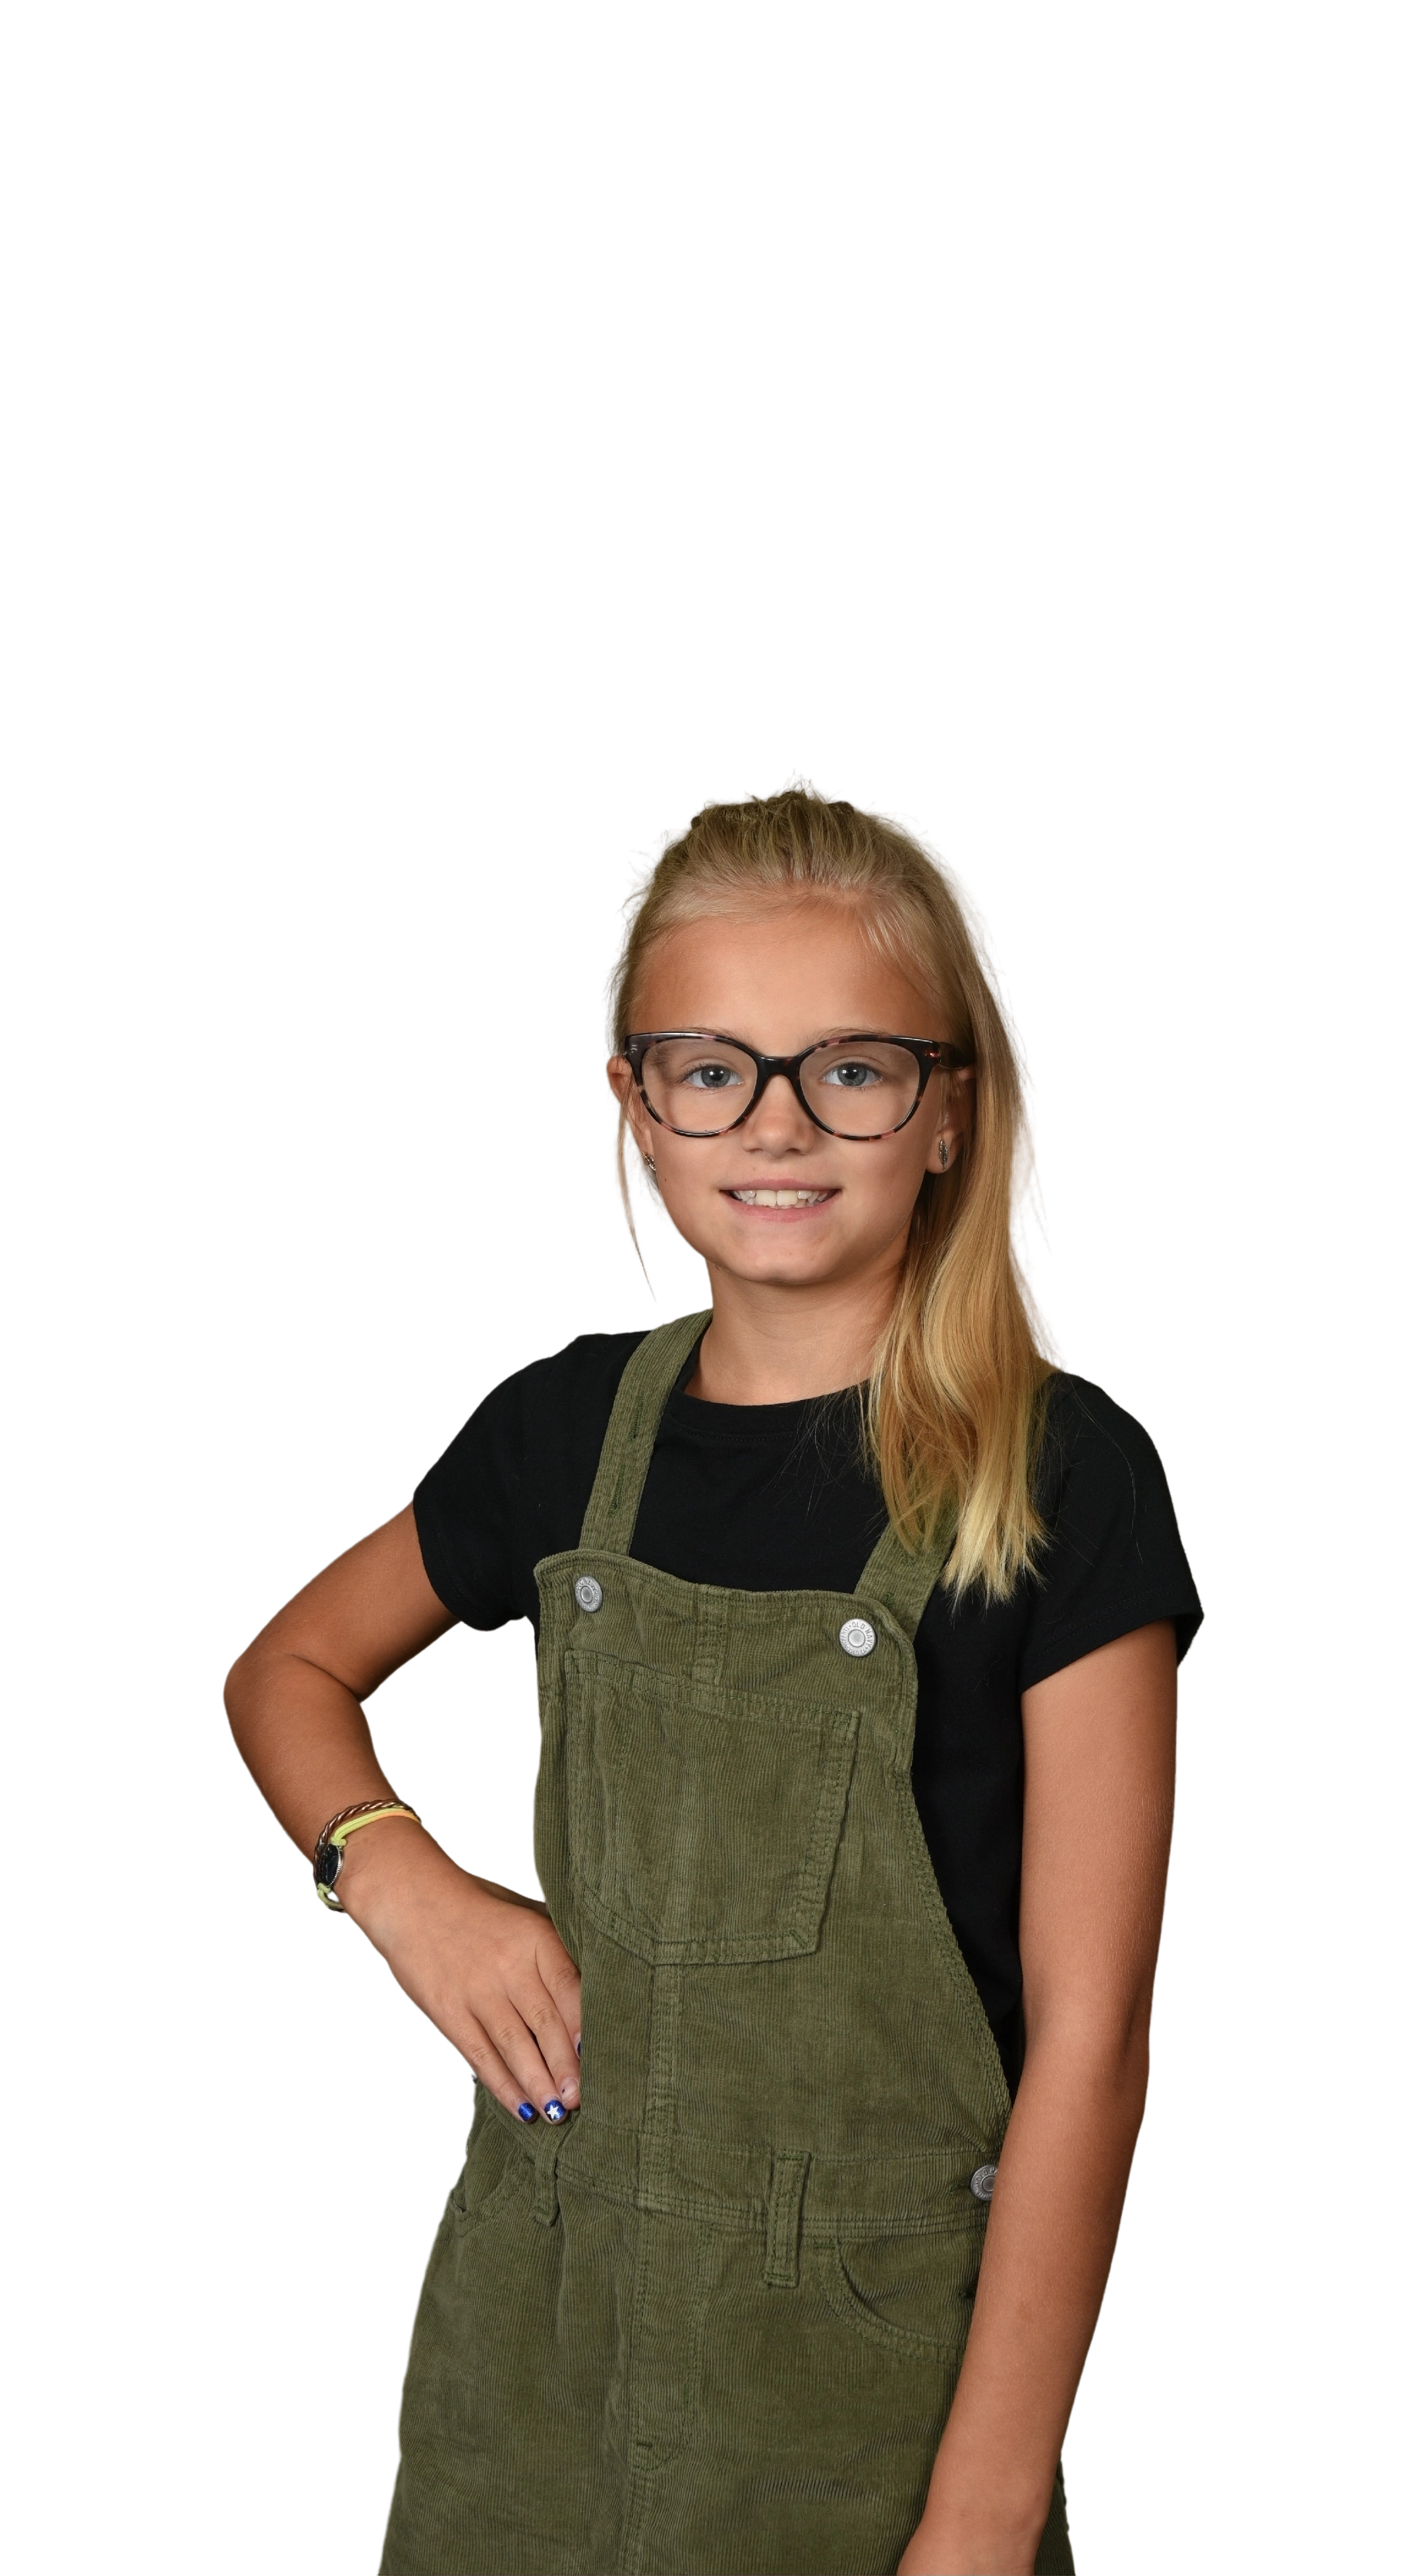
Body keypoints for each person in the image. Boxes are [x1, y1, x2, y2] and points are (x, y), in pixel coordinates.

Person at [220, 769, 1204, 2576]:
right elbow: (284, 1667)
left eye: (853, 1067)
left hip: (879, 2397)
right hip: (540, 2370)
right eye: (711, 1068)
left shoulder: (1062, 1475)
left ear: (949, 1112)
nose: (778, 1122)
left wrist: (984, 2518)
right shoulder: (559, 1430)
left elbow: (1096, 2042)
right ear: (637, 1110)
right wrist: (401, 1877)